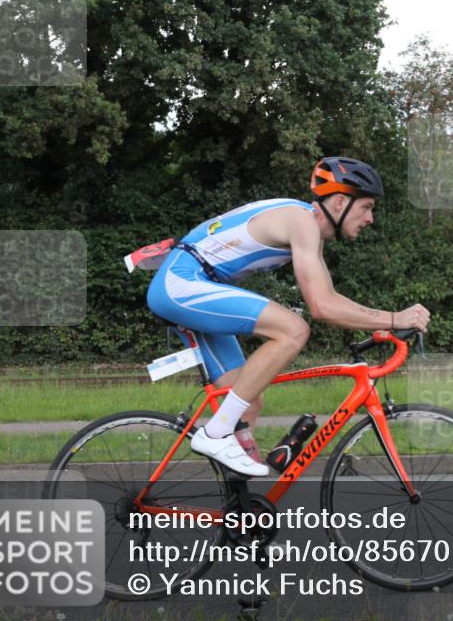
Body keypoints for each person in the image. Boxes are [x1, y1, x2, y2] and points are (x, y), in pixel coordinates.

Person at [147, 157, 430, 476]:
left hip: (193, 286)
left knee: (247, 400)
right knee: (293, 329)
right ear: (339, 202)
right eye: (366, 206)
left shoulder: (308, 230)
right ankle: (215, 434)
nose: (370, 218)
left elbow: (331, 299)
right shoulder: (301, 221)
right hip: (181, 283)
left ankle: (238, 512)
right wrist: (394, 318)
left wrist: (383, 320)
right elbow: (321, 308)